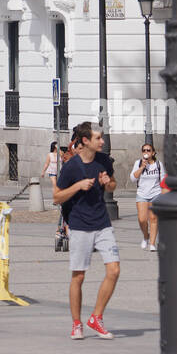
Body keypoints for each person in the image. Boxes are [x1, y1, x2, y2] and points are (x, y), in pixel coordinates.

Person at [54, 121, 120, 340]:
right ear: (85, 141)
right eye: (98, 138)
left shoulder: (102, 160)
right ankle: (76, 323)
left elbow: (113, 185)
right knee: (79, 276)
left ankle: (96, 318)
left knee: (114, 270)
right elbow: (56, 197)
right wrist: (77, 186)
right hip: (80, 225)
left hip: (102, 223)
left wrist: (107, 181)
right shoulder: (72, 167)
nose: (102, 141)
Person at [130, 141, 166, 250]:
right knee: (142, 219)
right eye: (144, 150)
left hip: (156, 194)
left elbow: (163, 180)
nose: (146, 152)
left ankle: (152, 243)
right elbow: (133, 178)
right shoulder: (138, 163)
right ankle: (146, 236)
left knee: (153, 218)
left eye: (148, 150)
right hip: (142, 194)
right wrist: (142, 167)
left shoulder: (159, 165)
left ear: (153, 153)